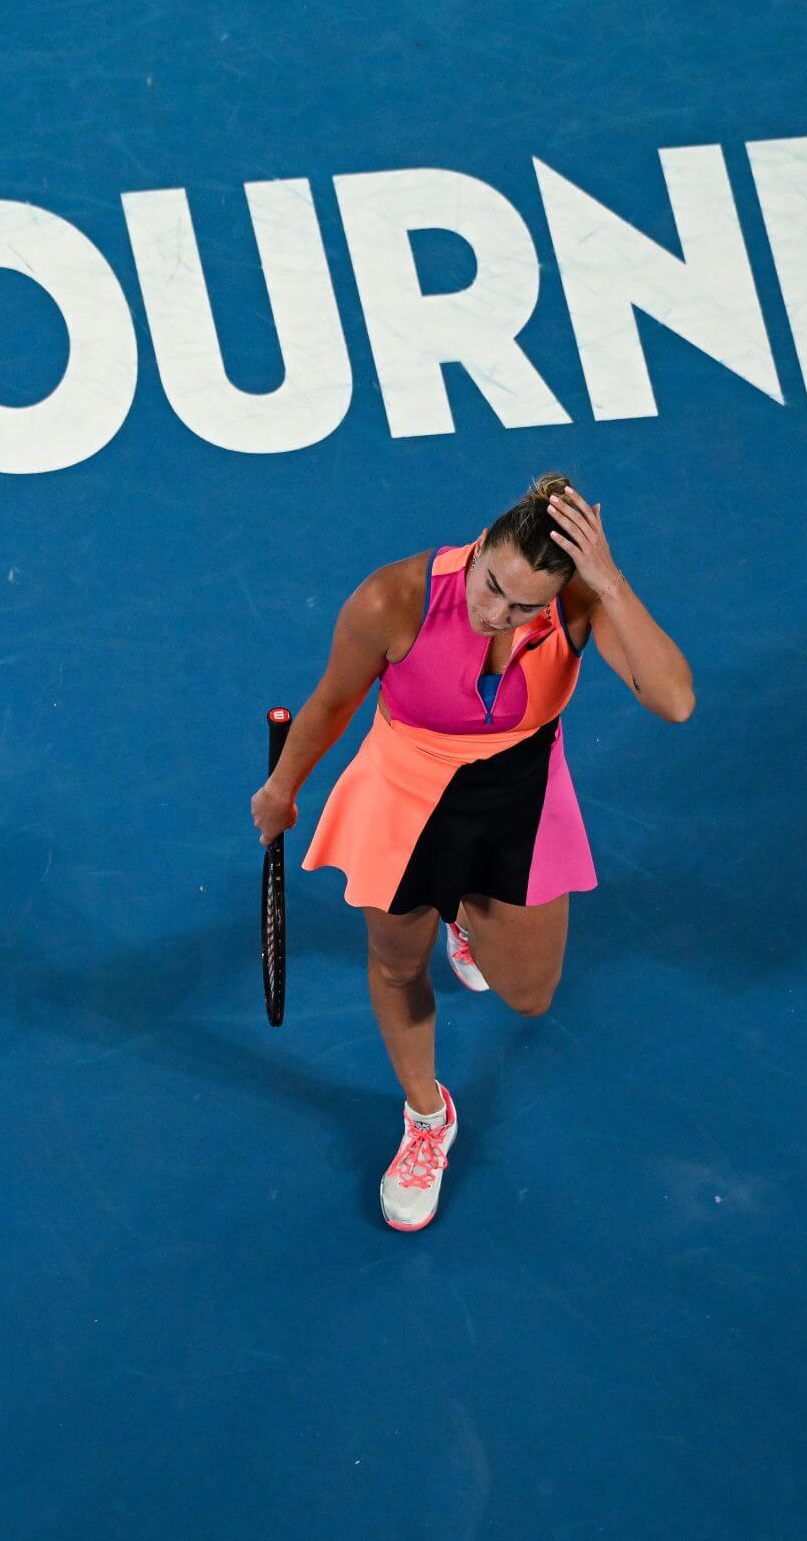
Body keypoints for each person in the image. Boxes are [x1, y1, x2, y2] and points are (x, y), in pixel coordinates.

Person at [249, 473, 694, 1231]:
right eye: (492, 586)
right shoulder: (394, 600)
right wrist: (282, 788)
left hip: (516, 808)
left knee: (527, 995)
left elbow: (675, 700)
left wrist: (610, 583)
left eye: (525, 606)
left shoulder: (580, 603)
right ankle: (428, 1116)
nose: (498, 613)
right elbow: (331, 702)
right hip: (402, 802)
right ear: (479, 545)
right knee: (396, 961)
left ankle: (464, 909)